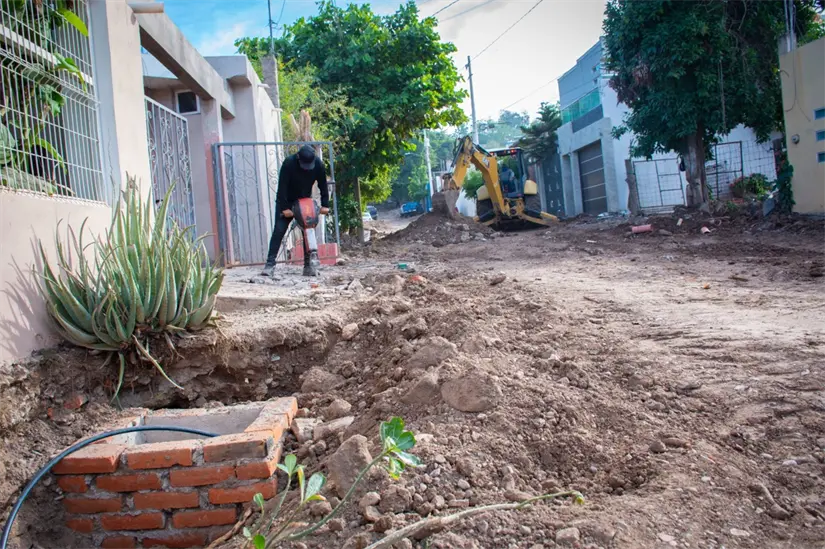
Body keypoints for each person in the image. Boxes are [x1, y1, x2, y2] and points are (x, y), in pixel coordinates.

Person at [261, 145, 330, 277]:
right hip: (287, 200)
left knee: (308, 232)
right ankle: (270, 265)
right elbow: (282, 188)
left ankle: (308, 266)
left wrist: (325, 204)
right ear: (298, 158)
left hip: (305, 201)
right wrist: (285, 208)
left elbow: (323, 185)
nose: (306, 168)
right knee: (279, 230)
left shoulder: (318, 165)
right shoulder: (289, 163)